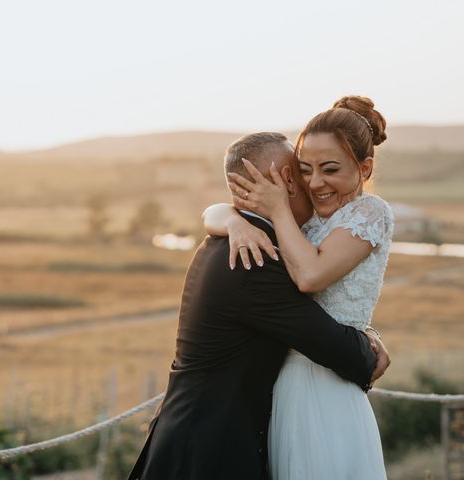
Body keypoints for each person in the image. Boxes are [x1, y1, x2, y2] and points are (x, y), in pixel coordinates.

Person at [127, 131, 390, 480]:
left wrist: (231, 217)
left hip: (195, 439)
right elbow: (341, 350)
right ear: (285, 180)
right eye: (302, 170)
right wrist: (369, 346)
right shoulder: (255, 259)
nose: (312, 184)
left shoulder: (228, 238)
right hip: (208, 454)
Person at [204, 96, 392, 479]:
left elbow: (310, 277)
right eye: (305, 170)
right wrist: (237, 223)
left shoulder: (370, 213)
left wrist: (276, 211)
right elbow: (211, 212)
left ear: (365, 167)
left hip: (327, 383)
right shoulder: (305, 221)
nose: (315, 183)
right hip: (285, 385)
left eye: (330, 169)